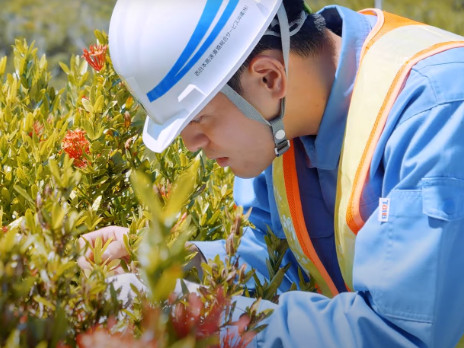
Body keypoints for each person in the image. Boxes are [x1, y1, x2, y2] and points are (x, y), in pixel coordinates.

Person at [79, 0, 464, 346]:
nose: (192, 144)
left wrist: (184, 310)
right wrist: (169, 263)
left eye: (198, 120)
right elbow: (282, 257)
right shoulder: (280, 128)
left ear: (269, 78)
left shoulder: (438, 111)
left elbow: (397, 336)